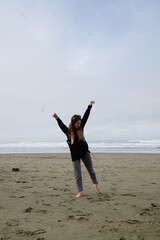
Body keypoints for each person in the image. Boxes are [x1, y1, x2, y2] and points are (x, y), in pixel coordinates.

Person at [52, 101, 99, 198]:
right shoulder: (69, 132)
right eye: (77, 123)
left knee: (91, 170)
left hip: (85, 152)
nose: (79, 124)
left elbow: (86, 116)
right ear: (73, 123)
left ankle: (96, 188)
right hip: (75, 155)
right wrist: (57, 118)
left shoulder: (81, 127)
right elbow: (62, 126)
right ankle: (80, 192)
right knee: (78, 175)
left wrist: (89, 106)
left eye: (80, 123)